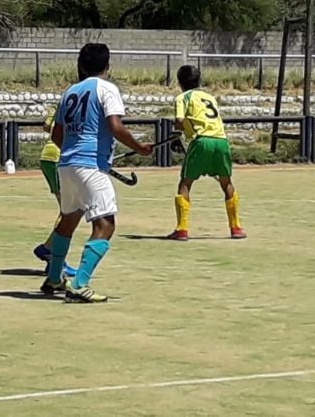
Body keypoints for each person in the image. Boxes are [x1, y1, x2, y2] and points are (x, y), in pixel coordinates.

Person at [41, 43, 153, 303]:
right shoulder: (107, 89)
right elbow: (115, 126)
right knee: (105, 224)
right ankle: (80, 284)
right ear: (108, 66)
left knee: (68, 221)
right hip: (89, 165)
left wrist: (74, 153)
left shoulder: (70, 92)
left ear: (80, 65)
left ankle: (54, 277)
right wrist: (139, 147)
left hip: (66, 165)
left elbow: (57, 134)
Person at [167, 65, 246, 241]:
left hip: (201, 140)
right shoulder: (209, 97)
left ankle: (182, 229)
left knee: (185, 183)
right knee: (226, 182)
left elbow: (180, 120)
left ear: (180, 83)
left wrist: (180, 130)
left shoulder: (182, 97)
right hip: (221, 140)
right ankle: (236, 228)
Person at [34, 107, 77, 278]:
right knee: (68, 212)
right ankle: (50, 252)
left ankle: (52, 254)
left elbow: (46, 126)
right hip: (60, 157)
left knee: (67, 210)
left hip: (48, 156)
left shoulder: (62, 103)